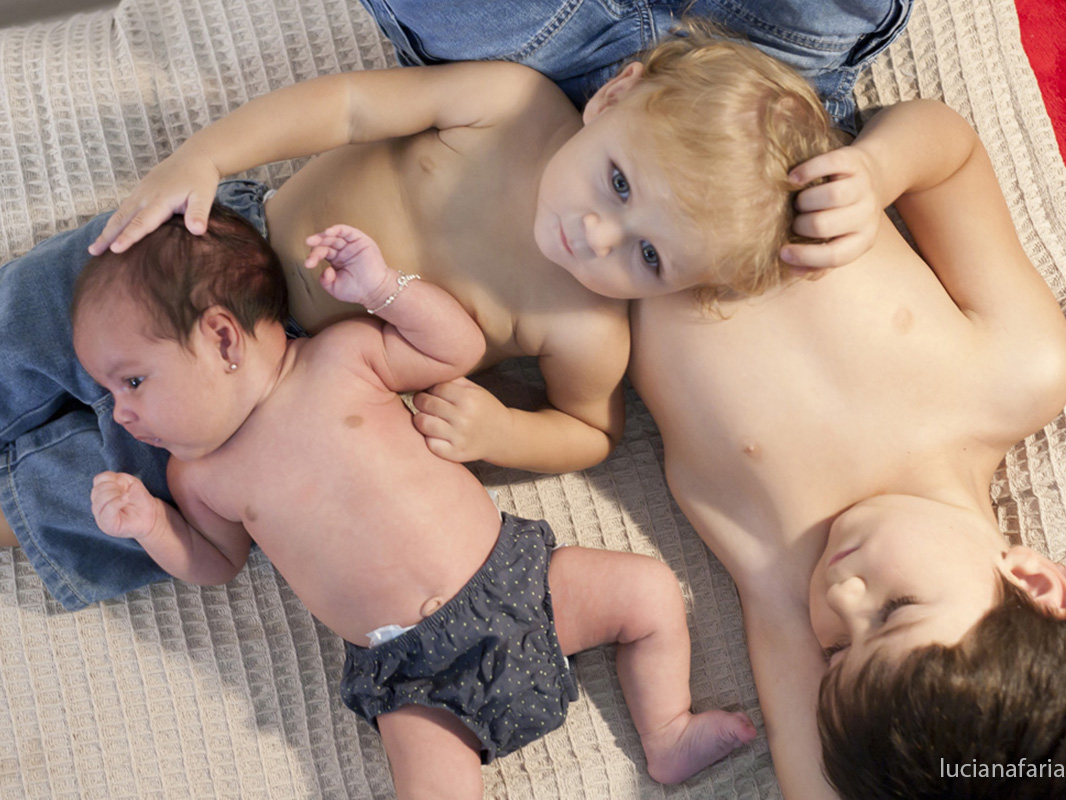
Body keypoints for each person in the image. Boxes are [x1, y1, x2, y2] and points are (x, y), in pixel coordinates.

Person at [0, 23, 838, 609]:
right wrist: (206, 156)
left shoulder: (587, 324)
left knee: (113, 496)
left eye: (649, 257)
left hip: (286, 407)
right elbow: (352, 106)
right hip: (229, 243)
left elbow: (591, 430)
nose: (597, 238)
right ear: (616, 95)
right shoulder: (511, 104)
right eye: (619, 183)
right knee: (46, 308)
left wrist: (500, 434)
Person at [72, 210, 756, 799]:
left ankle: (666, 731)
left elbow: (456, 346)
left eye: (131, 380)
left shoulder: (341, 357)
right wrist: (155, 526)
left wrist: (384, 289)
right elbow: (216, 562)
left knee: (649, 592)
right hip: (410, 671)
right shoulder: (199, 478)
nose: (122, 414)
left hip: (519, 584)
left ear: (223, 337)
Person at [627, 99, 1066, 798]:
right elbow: (952, 155)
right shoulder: (1018, 377)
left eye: (836, 651)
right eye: (895, 608)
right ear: (1035, 581)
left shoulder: (782, 569)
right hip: (748, 87)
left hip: (583, 171)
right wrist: (877, 169)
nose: (840, 598)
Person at [356, 0, 912, 134]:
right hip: (776, 74)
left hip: (556, 74)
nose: (599, 235)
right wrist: (874, 172)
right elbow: (937, 138)